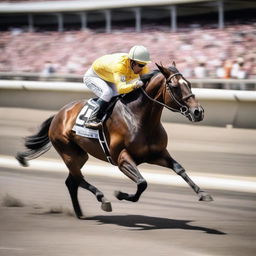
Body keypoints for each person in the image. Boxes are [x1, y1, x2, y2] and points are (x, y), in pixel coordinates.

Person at [83, 45, 151, 129]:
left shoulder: (141, 66)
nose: (143, 68)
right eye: (141, 65)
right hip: (94, 76)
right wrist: (135, 84)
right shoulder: (120, 66)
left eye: (144, 64)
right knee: (108, 93)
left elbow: (147, 81)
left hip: (109, 76)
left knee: (119, 95)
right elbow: (121, 88)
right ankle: (91, 119)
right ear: (132, 62)